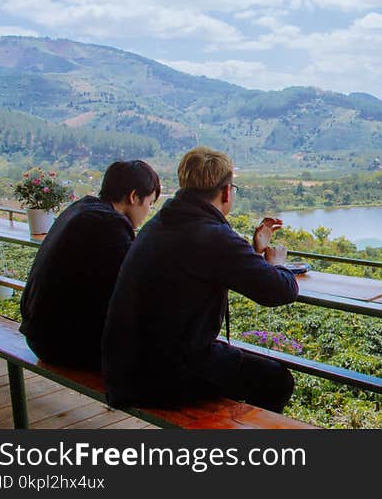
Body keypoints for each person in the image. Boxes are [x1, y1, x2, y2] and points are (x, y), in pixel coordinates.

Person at [101, 146, 299, 412]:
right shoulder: (211, 234)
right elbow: (280, 291)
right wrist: (278, 264)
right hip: (162, 376)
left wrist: (253, 252)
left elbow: (212, 262)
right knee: (276, 380)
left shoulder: (160, 223)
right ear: (227, 192)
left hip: (125, 368)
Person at [19, 160, 161, 368]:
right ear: (133, 197)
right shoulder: (110, 225)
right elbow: (132, 287)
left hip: (38, 333)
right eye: (149, 203)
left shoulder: (81, 209)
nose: (148, 211)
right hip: (61, 346)